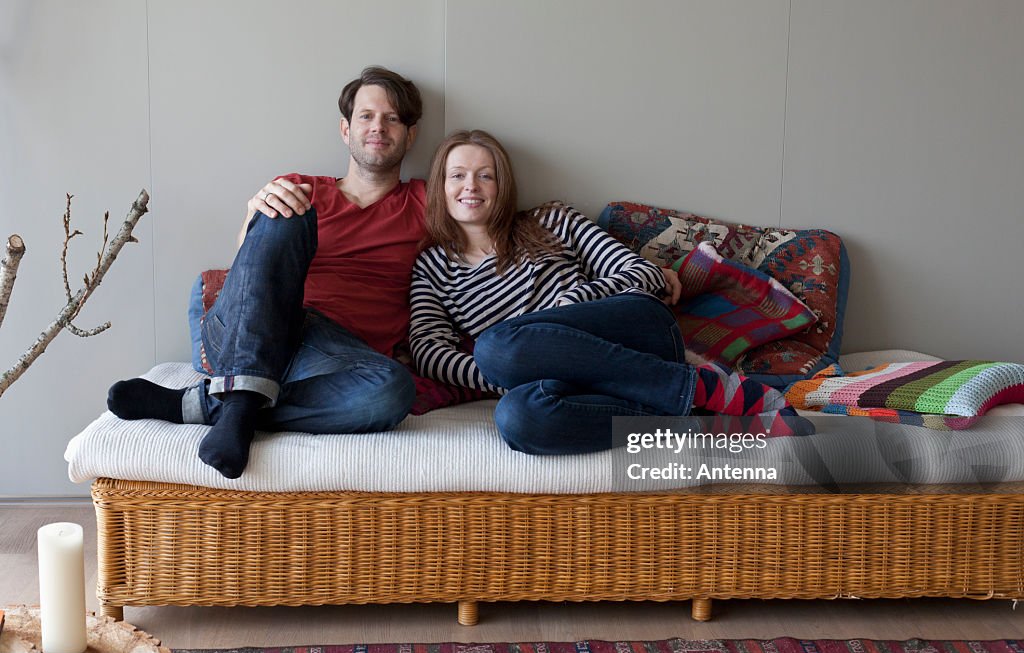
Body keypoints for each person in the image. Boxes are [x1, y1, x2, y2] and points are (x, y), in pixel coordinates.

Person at [106, 66, 427, 478]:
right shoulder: (299, 187)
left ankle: (207, 405)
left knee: (392, 390)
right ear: (346, 129)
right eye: (366, 116)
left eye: (392, 118)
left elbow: (486, 225)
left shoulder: (426, 204)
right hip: (253, 327)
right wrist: (253, 213)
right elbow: (249, 273)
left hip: (333, 357)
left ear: (410, 134)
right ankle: (239, 404)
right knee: (283, 211)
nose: (378, 127)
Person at [409, 130, 801, 455]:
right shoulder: (432, 267)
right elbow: (428, 352)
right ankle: (697, 422)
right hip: (561, 380)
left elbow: (643, 273)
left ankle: (698, 385)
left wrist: (570, 306)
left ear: (502, 185)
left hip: (631, 332)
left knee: (496, 345)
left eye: (485, 176)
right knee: (518, 418)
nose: (470, 187)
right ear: (440, 187)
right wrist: (523, 369)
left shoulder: (551, 220)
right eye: (457, 175)